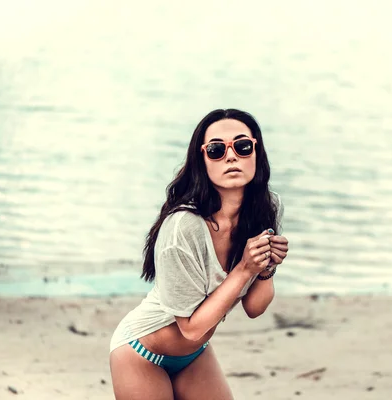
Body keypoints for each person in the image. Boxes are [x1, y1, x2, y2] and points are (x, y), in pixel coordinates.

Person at [109, 109, 288, 400]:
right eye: (217, 150)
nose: (231, 156)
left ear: (256, 151)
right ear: (202, 161)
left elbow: (255, 308)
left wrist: (266, 268)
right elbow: (191, 328)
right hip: (141, 352)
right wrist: (244, 268)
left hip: (195, 356)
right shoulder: (183, 226)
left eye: (242, 146)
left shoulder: (265, 209)